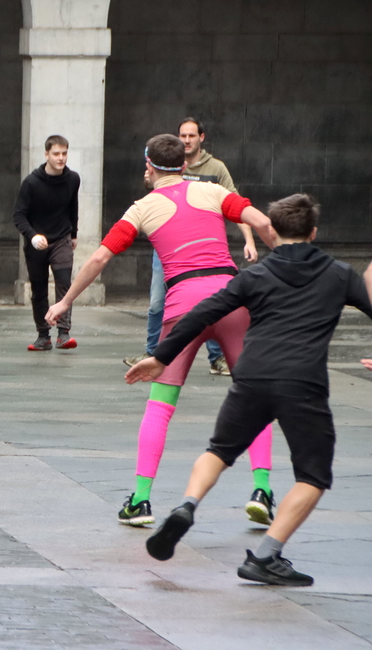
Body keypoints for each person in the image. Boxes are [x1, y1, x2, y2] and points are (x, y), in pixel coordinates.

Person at [127, 194, 372, 587]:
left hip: (252, 378)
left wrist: (161, 356)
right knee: (313, 476)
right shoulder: (339, 274)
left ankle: (187, 505)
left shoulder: (253, 276)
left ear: (271, 230)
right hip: (302, 384)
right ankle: (266, 556)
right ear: (313, 232)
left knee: (218, 451)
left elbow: (202, 312)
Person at [45, 134, 277, 527]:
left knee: (160, 405)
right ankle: (262, 490)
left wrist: (65, 301)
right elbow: (265, 223)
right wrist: (287, 265)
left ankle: (140, 501)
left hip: (184, 307)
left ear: (148, 167)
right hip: (232, 299)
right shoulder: (213, 192)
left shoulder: (142, 209)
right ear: (184, 165)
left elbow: (99, 257)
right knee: (256, 397)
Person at [125, 118, 258, 375]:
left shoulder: (216, 168)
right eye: (183, 136)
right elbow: (153, 191)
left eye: (191, 136)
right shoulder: (165, 163)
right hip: (168, 246)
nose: (187, 140)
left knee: (212, 302)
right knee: (157, 303)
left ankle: (217, 357)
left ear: (201, 138)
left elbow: (239, 205)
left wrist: (249, 240)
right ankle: (154, 352)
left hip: (203, 248)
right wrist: (150, 180)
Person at [12, 134, 80, 352]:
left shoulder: (73, 179)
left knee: (64, 283)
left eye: (64, 153)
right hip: (37, 242)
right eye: (56, 154)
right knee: (39, 289)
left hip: (62, 238)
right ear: (46, 155)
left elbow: (73, 207)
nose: (61, 158)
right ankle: (43, 336)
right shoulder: (31, 183)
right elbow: (19, 215)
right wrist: (32, 236)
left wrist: (74, 234)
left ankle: (64, 333)